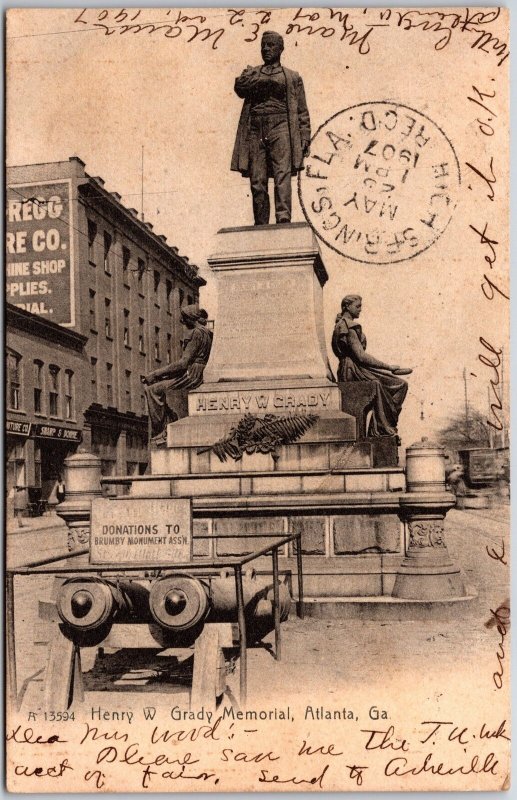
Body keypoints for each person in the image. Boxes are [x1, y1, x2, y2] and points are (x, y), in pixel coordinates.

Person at [231, 30, 311, 225]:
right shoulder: (253, 72)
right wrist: (245, 77)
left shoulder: (292, 77)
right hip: (255, 128)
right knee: (257, 180)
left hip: (282, 126)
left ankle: (283, 218)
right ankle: (261, 222)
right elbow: (239, 90)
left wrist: (304, 137)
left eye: (270, 45)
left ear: (280, 49)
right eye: (263, 45)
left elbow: (302, 110)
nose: (265, 49)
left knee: (281, 175)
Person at [332, 295, 412, 437]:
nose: (360, 310)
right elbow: (361, 356)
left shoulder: (349, 325)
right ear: (346, 307)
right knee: (381, 385)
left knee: (401, 384)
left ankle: (383, 424)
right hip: (352, 369)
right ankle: (381, 427)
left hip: (359, 368)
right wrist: (389, 367)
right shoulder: (347, 327)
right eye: (358, 306)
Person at [142, 305, 212, 444]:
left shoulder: (196, 333)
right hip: (199, 372)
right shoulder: (208, 333)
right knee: (161, 385)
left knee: (152, 390)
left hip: (192, 375)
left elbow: (183, 363)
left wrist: (156, 374)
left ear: (190, 318)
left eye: (184, 318)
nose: (182, 321)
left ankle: (161, 430)